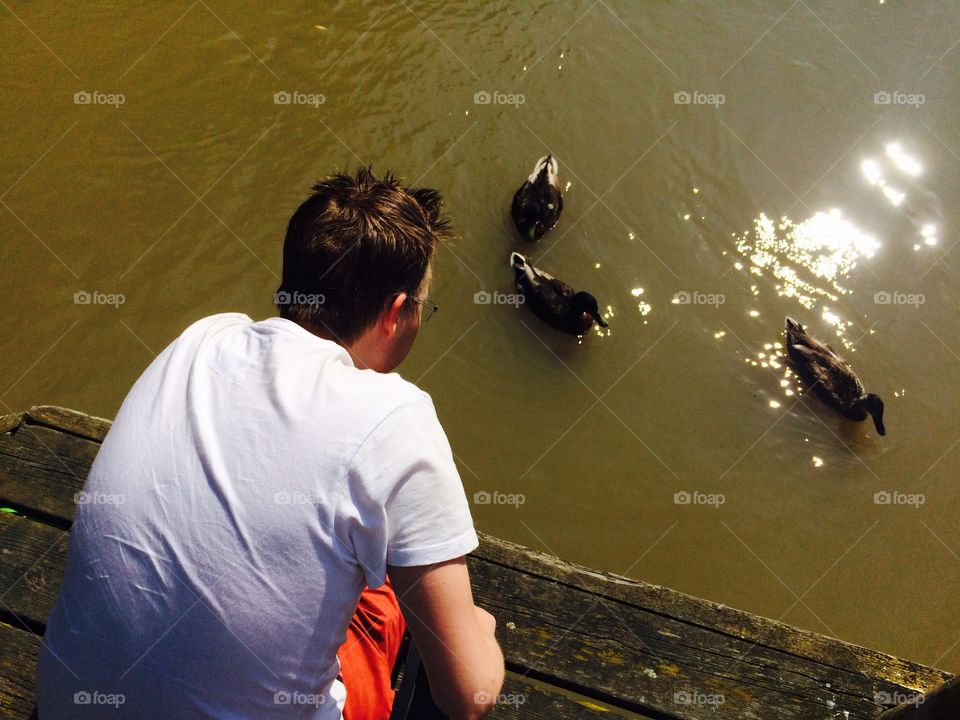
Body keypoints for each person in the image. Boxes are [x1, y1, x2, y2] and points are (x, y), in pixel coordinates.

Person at [35, 167, 505, 719]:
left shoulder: (202, 339)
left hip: (66, 705)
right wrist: (482, 633)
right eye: (423, 306)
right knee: (431, 623)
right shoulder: (397, 417)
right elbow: (469, 694)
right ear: (397, 312)